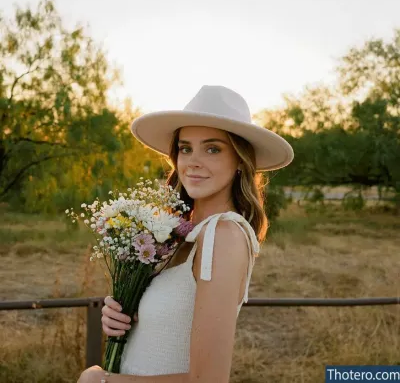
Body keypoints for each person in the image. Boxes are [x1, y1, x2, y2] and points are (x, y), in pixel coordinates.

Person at [79, 85, 293, 383]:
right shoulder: (180, 234)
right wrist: (126, 313)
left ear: (240, 163)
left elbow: (208, 380)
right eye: (185, 148)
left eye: (213, 148)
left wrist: (99, 381)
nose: (193, 161)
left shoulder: (224, 234)